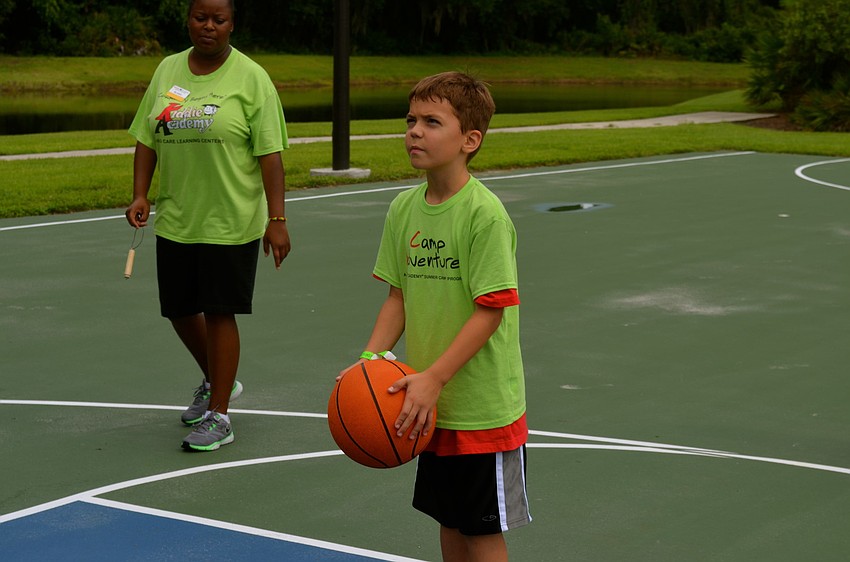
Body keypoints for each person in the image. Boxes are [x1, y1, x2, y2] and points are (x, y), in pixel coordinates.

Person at [340, 71, 531, 562]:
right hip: (427, 403)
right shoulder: (404, 208)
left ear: (470, 140)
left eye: (431, 121)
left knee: (481, 530)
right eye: (410, 121)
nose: (415, 132)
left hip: (480, 407)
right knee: (448, 521)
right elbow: (397, 297)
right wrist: (371, 359)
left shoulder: (484, 215)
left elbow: (490, 312)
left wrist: (435, 379)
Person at [125, 0, 290, 452]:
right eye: (202, 17)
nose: (209, 26)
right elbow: (146, 138)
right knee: (178, 309)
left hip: (231, 218)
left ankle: (220, 414)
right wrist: (141, 193)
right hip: (177, 216)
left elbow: (271, 156)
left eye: (219, 19)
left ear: (232, 24)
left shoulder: (252, 78)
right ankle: (218, 379)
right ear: (189, 20)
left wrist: (277, 219)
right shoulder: (167, 70)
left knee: (220, 311)